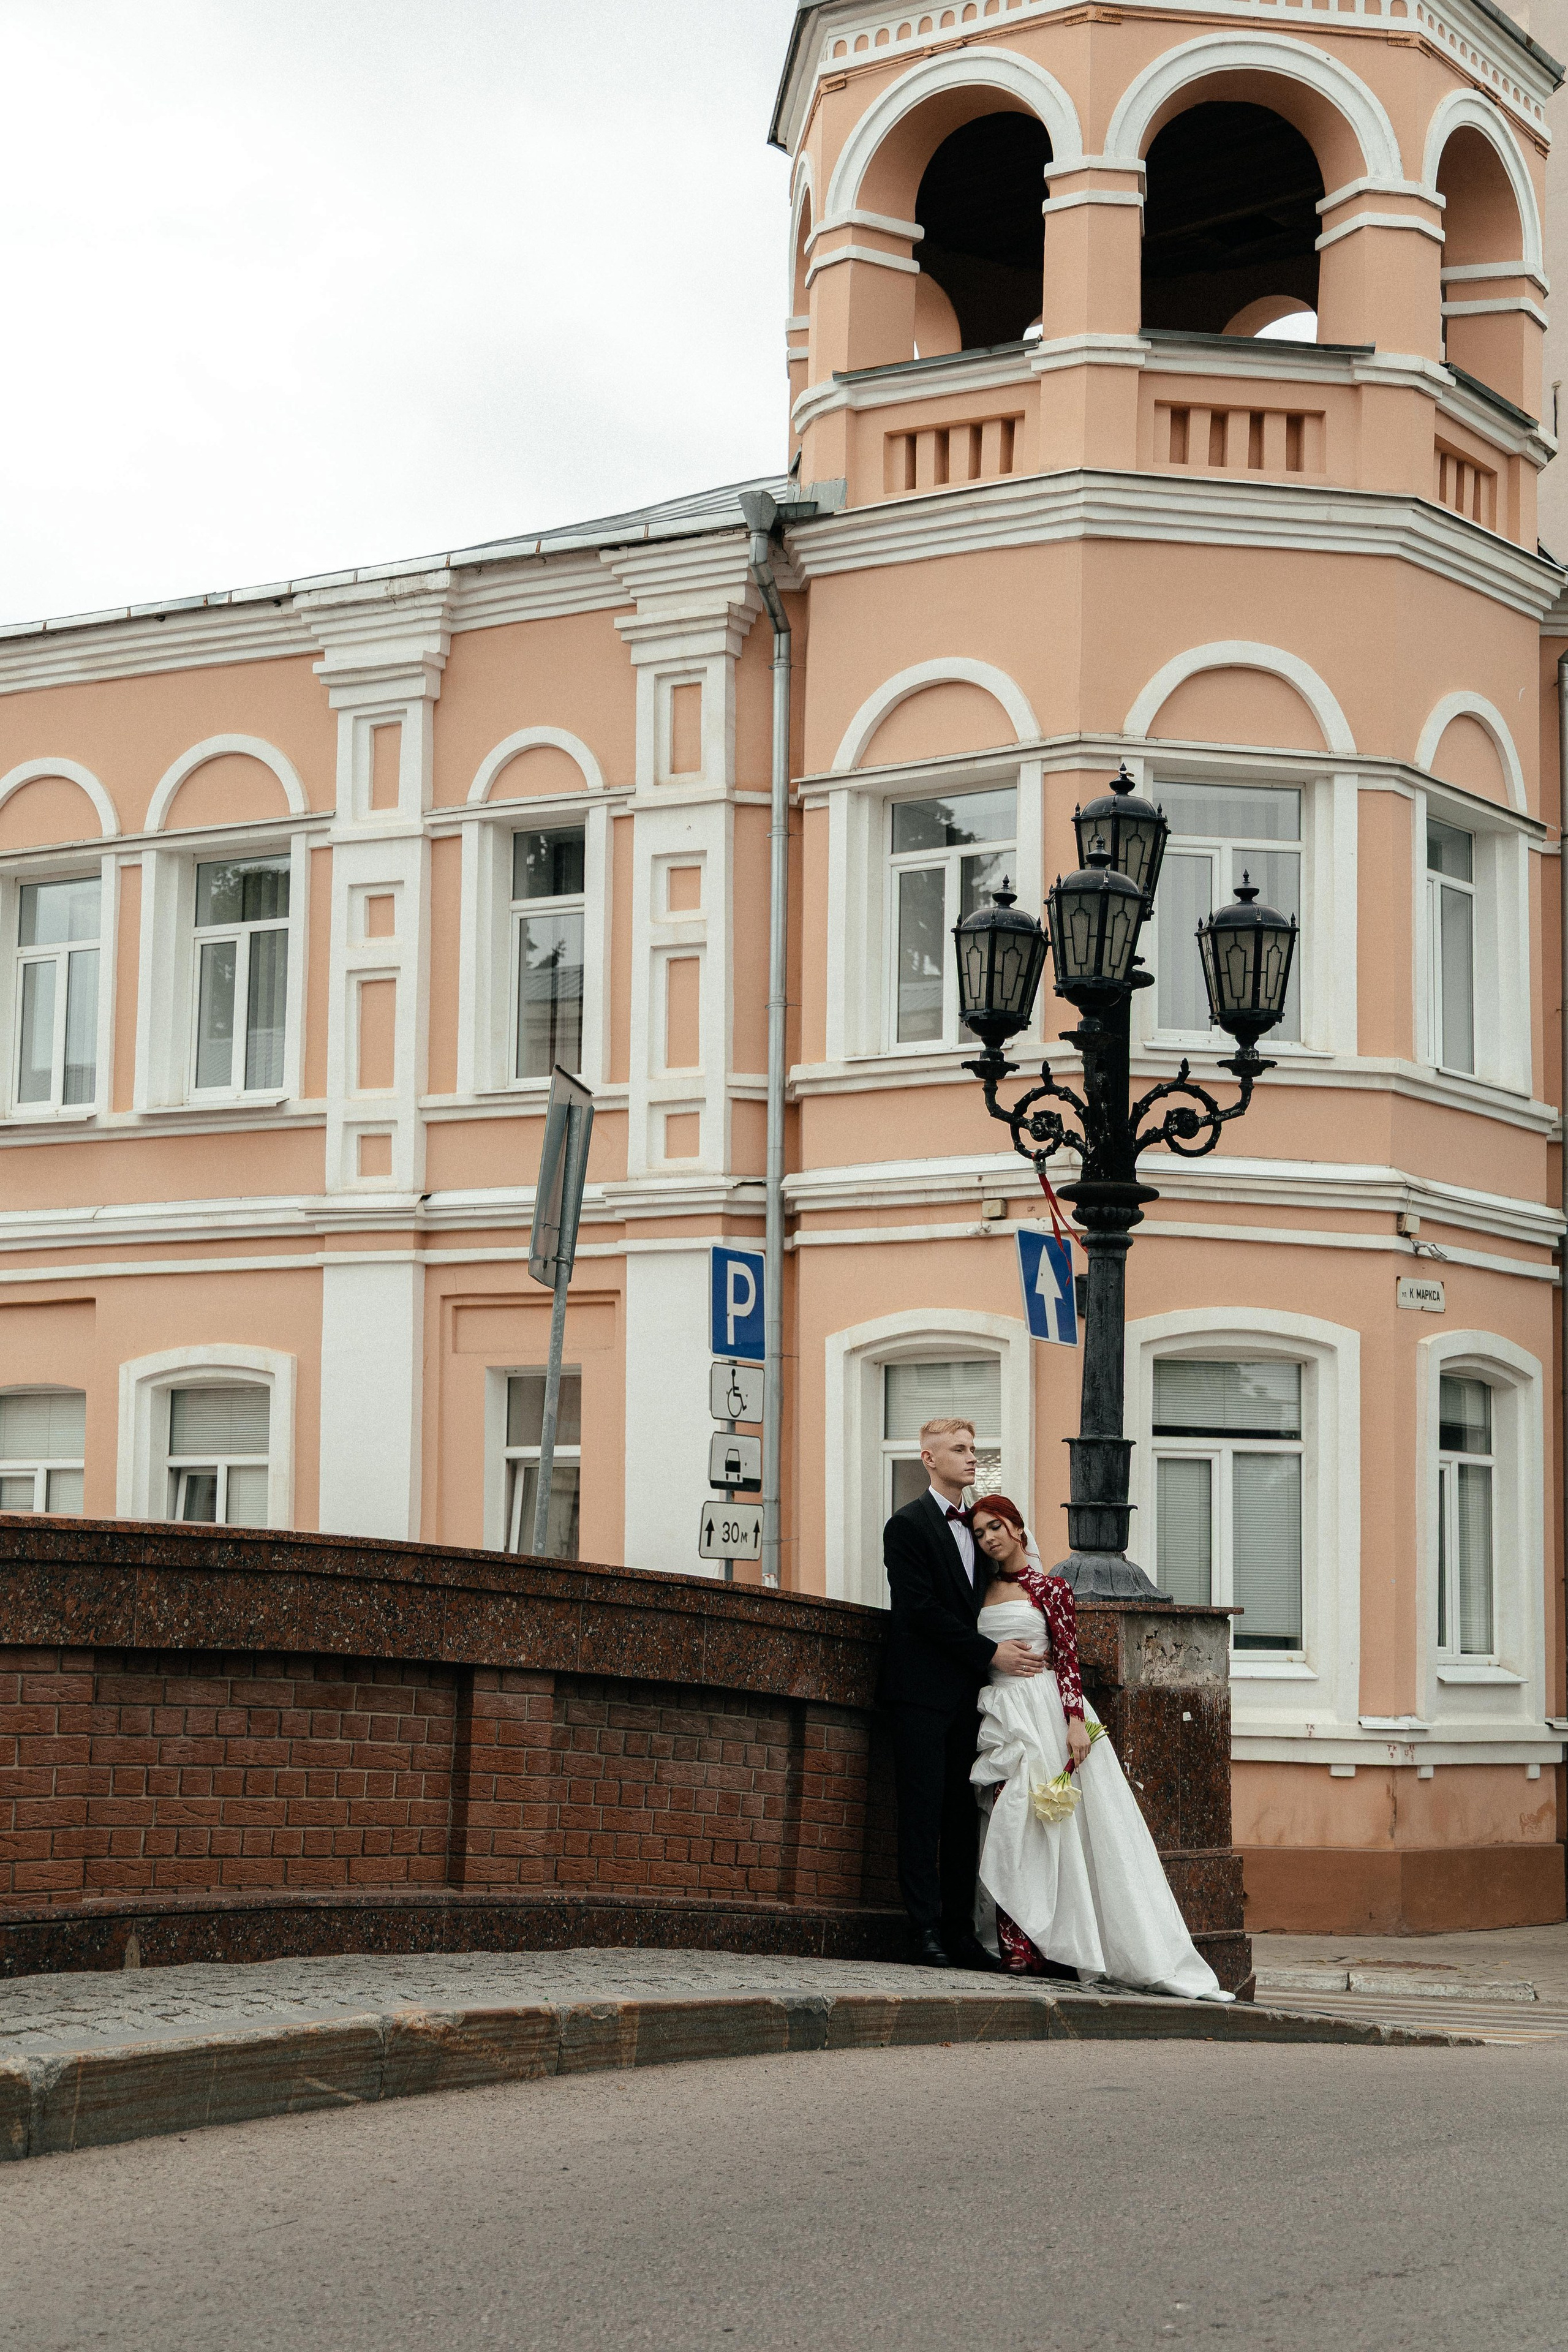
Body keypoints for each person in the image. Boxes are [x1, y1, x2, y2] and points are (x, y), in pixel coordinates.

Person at [968, 1493, 1233, 2003]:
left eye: (996, 1526)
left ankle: (1059, 1944)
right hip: (1001, 1715)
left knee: (1053, 1827)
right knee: (1005, 1819)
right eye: (980, 1533)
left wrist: (1074, 1724)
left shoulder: (1051, 1589)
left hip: (1046, 1716)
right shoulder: (977, 1591)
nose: (990, 1538)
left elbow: (1068, 1659)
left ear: (1019, 1529)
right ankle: (1015, 1943)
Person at [880, 1417, 1046, 1970]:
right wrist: (989, 1654)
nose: (971, 1458)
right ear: (929, 1459)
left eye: (973, 1449)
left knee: (961, 1817)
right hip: (921, 1695)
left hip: (975, 1700)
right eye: (959, 1449)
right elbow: (919, 1610)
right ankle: (924, 1930)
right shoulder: (906, 1525)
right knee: (922, 1814)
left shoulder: (982, 1530)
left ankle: (961, 1932)